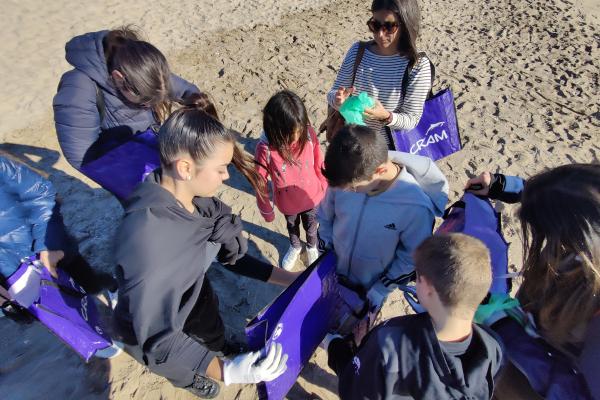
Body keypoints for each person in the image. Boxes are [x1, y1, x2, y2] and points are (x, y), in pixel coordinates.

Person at [113, 101, 297, 398]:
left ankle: (220, 348)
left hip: (194, 293)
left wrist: (290, 279)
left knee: (212, 333)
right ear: (186, 167)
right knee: (190, 373)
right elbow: (159, 339)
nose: (227, 177)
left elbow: (230, 258)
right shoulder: (147, 242)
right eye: (222, 168)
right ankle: (195, 382)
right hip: (153, 328)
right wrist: (228, 372)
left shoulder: (197, 203)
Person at [465, 164, 600, 398]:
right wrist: (506, 186)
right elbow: (578, 195)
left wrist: (501, 325)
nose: (549, 247)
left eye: (556, 239)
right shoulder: (585, 240)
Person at [326, 233, 504, 399]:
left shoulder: (390, 342)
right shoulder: (492, 346)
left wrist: (337, 345)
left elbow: (354, 390)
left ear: (428, 290)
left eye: (418, 278)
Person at [317, 124, 448, 311]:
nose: (346, 192)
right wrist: (325, 254)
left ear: (379, 171)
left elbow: (411, 257)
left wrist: (380, 289)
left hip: (370, 286)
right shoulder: (346, 176)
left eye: (353, 188)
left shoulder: (416, 208)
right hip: (333, 268)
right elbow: (325, 217)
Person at [53, 27, 199, 171]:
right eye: (145, 100)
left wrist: (196, 103)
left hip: (149, 143)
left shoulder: (134, 58)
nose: (150, 106)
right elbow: (82, 156)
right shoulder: (78, 89)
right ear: (118, 78)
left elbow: (174, 87)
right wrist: (131, 171)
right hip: (126, 164)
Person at [0, 151, 116, 295]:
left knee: (90, 286)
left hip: (51, 250)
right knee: (55, 309)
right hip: (13, 279)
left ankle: (106, 284)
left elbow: (40, 193)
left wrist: (48, 246)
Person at [326, 0, 432, 149]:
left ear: (406, 24)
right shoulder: (358, 51)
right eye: (375, 25)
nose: (380, 34)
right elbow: (331, 94)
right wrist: (338, 101)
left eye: (389, 26)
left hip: (390, 151)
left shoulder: (417, 65)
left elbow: (411, 119)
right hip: (351, 145)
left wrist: (386, 116)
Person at [255, 90, 328, 270]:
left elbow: (320, 164)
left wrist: (325, 190)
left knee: (312, 227)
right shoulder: (265, 148)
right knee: (292, 226)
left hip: (313, 198)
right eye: (292, 133)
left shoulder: (309, 135)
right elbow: (260, 180)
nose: (297, 136)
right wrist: (266, 209)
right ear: (276, 130)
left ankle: (311, 247)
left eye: (300, 129)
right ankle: (295, 246)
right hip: (288, 203)